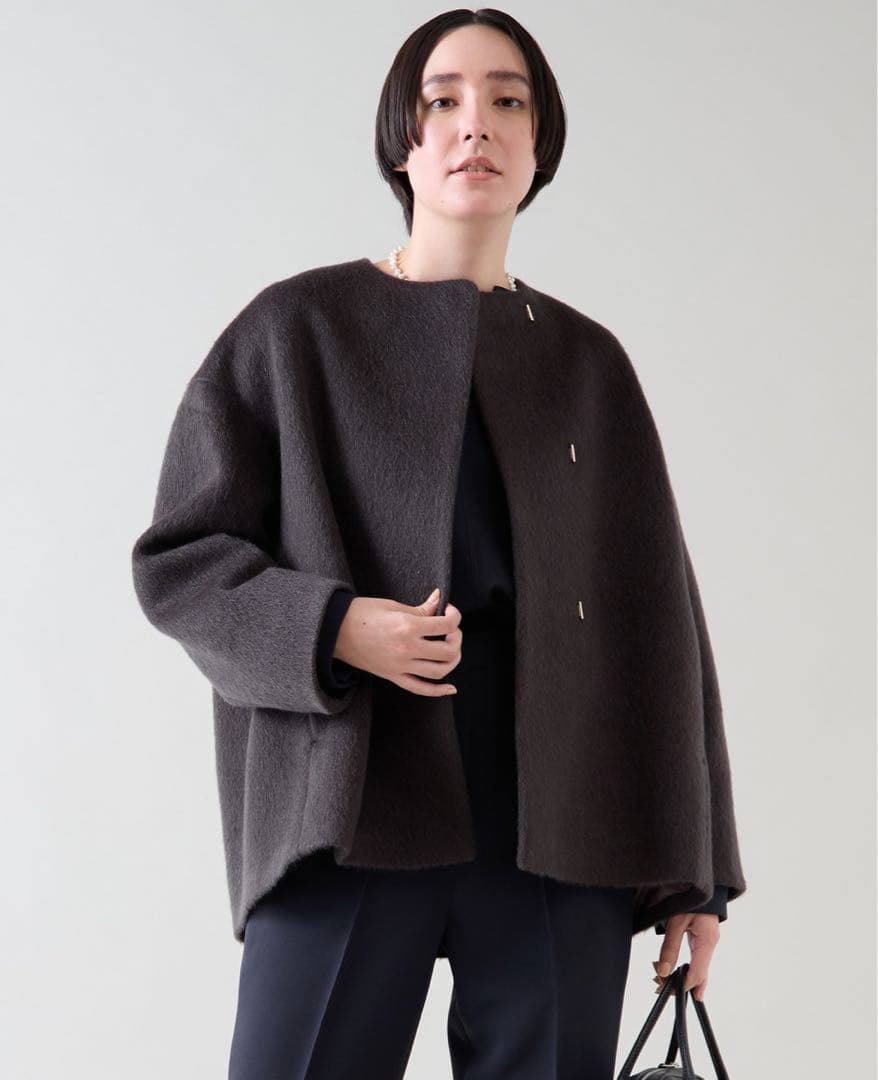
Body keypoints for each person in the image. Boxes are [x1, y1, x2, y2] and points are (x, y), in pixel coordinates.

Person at [131, 9, 746, 1079]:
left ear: (540, 145)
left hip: (563, 821)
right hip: (354, 795)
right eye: (443, 99)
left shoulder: (588, 366)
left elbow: (663, 629)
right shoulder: (296, 330)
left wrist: (699, 872)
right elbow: (181, 563)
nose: (477, 123)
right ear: (401, 140)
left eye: (508, 100)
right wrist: (334, 628)